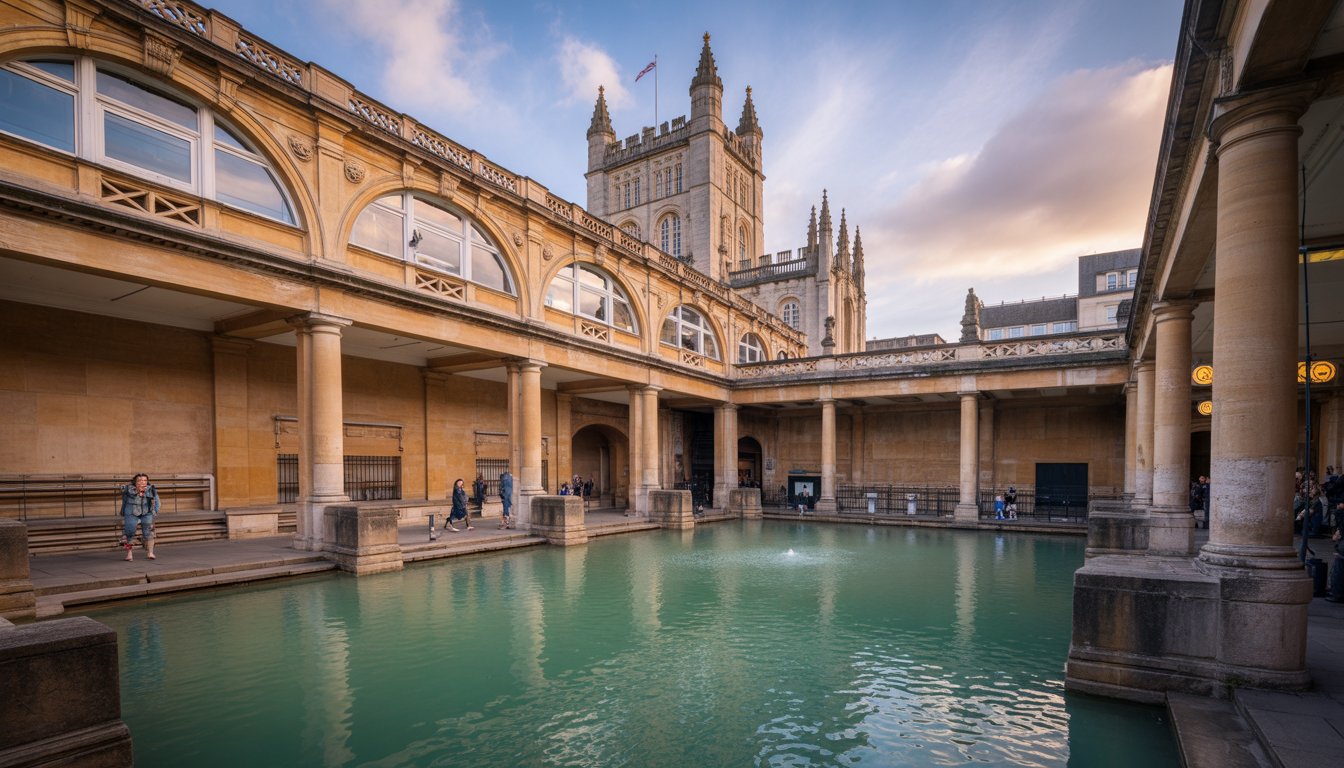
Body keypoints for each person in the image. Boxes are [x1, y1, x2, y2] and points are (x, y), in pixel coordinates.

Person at [120, 473, 159, 561]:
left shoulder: (151, 489)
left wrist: (154, 511)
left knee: (149, 532)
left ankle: (150, 552)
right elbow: (123, 497)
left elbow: (157, 501)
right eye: (140, 480)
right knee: (129, 531)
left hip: (147, 512)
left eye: (145, 480)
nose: (142, 482)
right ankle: (129, 554)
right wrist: (137, 491)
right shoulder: (128, 489)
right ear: (135, 482)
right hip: (131, 512)